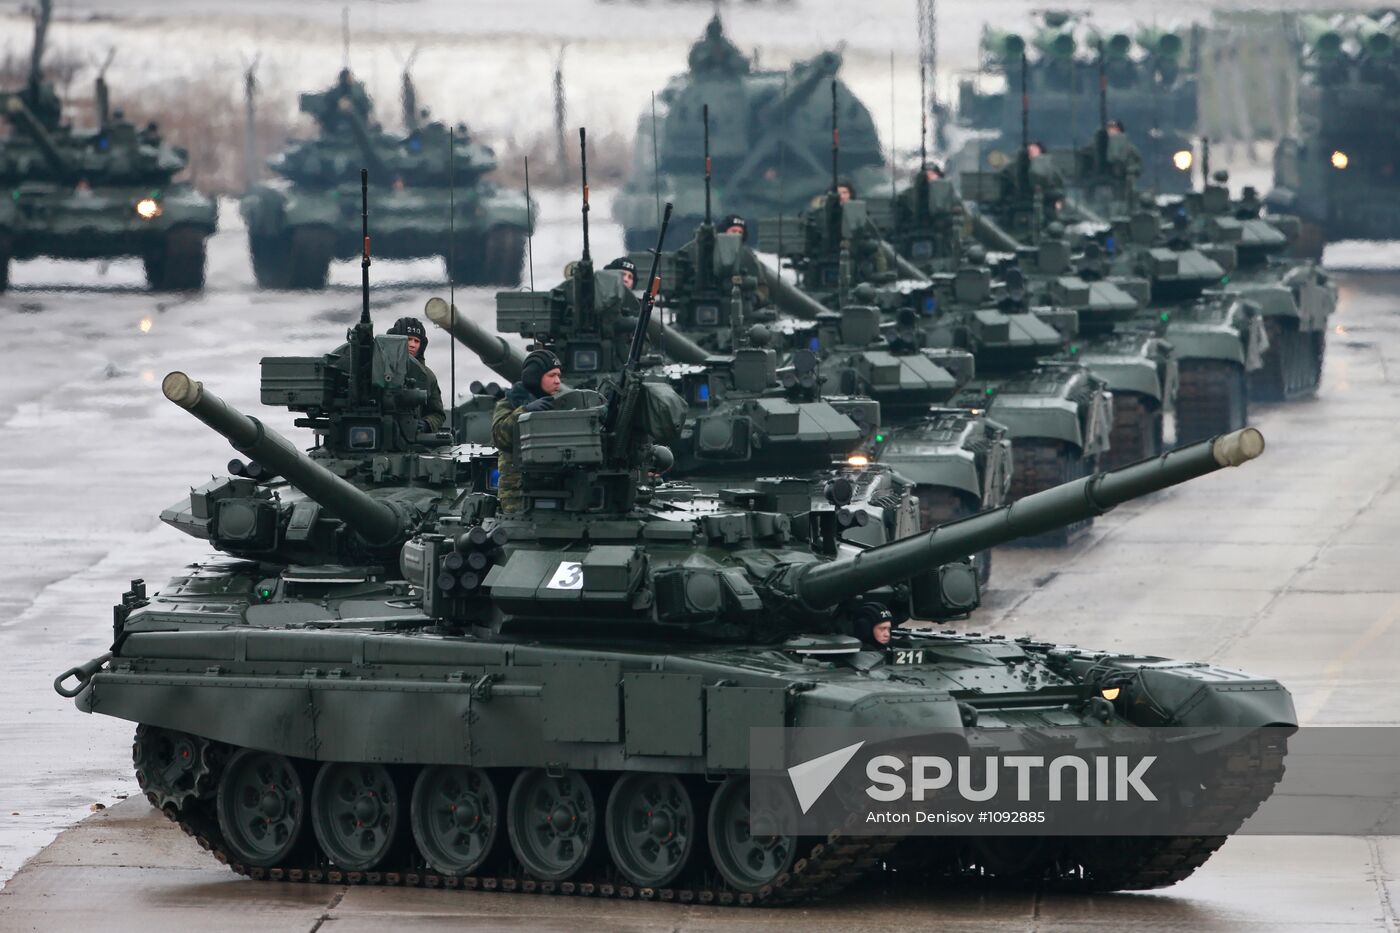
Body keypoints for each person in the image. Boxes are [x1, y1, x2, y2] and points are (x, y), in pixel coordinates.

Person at [492, 348, 563, 512]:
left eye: (559, 375)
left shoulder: (560, 404)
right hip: (518, 494)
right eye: (552, 376)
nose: (558, 381)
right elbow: (499, 437)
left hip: (557, 488)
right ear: (535, 377)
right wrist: (525, 412)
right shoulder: (509, 403)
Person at [387, 317, 446, 434]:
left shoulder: (427, 377)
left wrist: (427, 424)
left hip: (411, 439)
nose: (412, 345)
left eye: (416, 341)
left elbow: (438, 414)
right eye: (408, 339)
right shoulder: (378, 370)